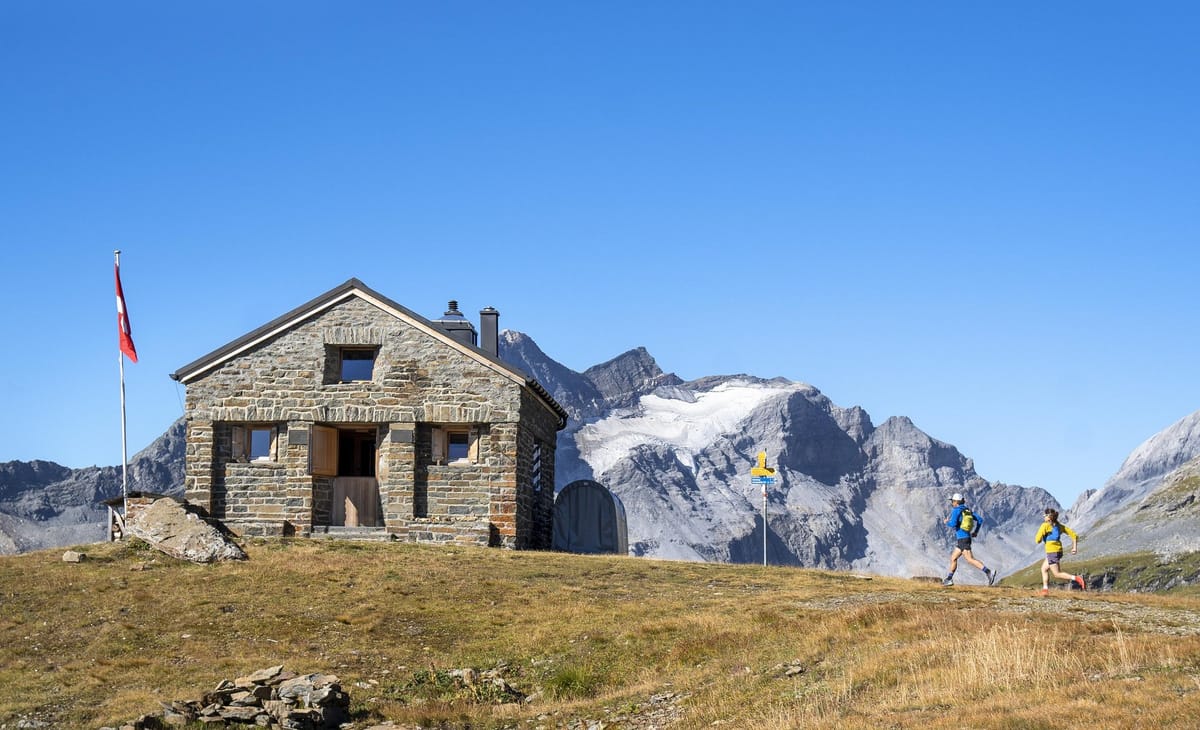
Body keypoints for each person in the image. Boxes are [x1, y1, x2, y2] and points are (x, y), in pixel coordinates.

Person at [943, 493, 996, 586]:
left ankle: (989, 572)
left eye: (952, 501)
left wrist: (946, 522)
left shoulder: (956, 510)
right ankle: (949, 579)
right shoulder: (967, 510)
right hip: (965, 538)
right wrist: (976, 532)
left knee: (970, 559)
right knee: (953, 558)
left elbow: (953, 524)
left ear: (956, 502)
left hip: (963, 539)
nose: (952, 503)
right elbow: (980, 520)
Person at [1035, 508, 1086, 596]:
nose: (1043, 517)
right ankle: (1045, 590)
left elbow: (1037, 540)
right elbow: (1074, 535)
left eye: (1045, 515)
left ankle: (1077, 578)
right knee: (1044, 568)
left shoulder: (1045, 526)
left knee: (1057, 574)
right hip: (1058, 551)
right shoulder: (1059, 526)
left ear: (1049, 517)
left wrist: (1042, 536)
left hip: (1052, 552)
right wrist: (1074, 548)